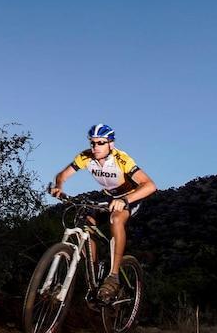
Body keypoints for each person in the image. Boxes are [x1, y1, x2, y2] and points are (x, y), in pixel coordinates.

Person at [50, 124, 157, 302]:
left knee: (115, 219)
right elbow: (62, 175)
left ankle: (113, 276)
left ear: (111, 144)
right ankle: (93, 273)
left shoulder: (121, 159)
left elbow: (150, 185)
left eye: (100, 143)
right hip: (109, 197)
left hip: (130, 197)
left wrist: (125, 200)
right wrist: (58, 187)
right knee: (85, 222)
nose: (95, 147)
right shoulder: (85, 157)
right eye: (92, 143)